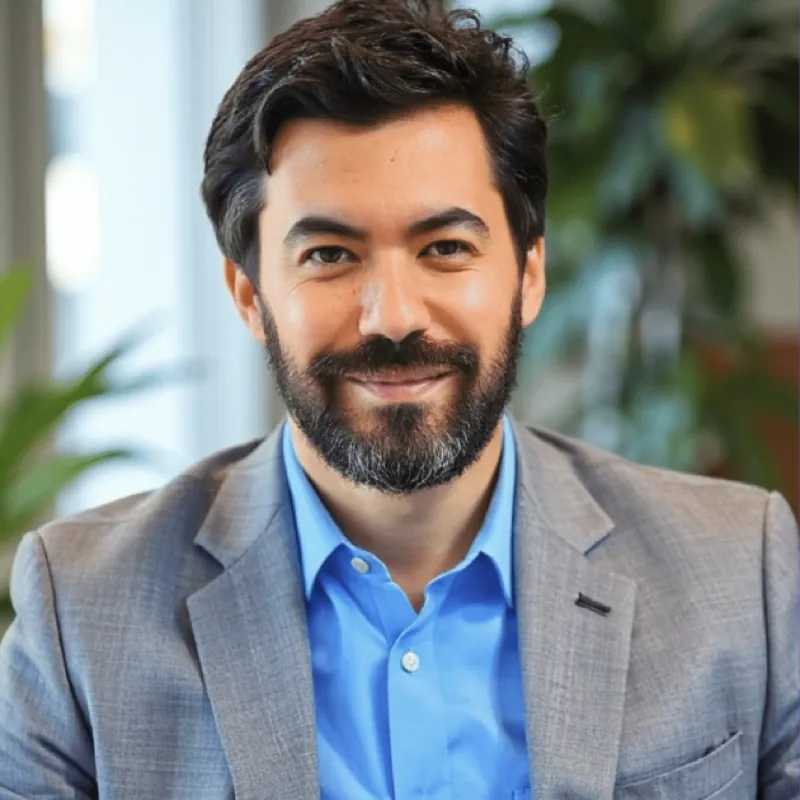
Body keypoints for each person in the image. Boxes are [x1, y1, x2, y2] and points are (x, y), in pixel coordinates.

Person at [1, 0, 797, 797]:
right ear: (249, 296)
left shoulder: (741, 576)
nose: (393, 317)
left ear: (528, 276)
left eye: (445, 247)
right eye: (330, 255)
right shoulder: (81, 612)